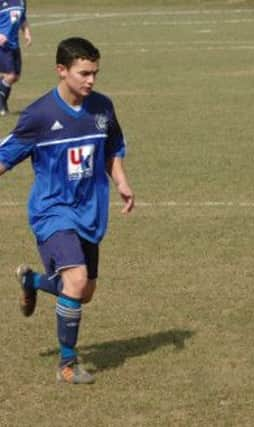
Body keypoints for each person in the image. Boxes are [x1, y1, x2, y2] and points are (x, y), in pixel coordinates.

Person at [0, 37, 135, 384]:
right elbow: (4, 156)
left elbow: (113, 147)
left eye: (95, 73)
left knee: (84, 291)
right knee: (74, 281)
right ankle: (66, 365)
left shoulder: (102, 108)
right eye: (83, 73)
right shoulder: (39, 116)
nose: (90, 80)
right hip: (52, 211)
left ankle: (32, 280)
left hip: (90, 212)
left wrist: (120, 181)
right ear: (62, 70)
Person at [0, 0, 32, 116]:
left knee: (15, 77)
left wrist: (27, 33)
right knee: (10, 75)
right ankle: (1, 105)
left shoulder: (21, 1)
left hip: (14, 44)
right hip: (3, 45)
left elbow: (22, 18)